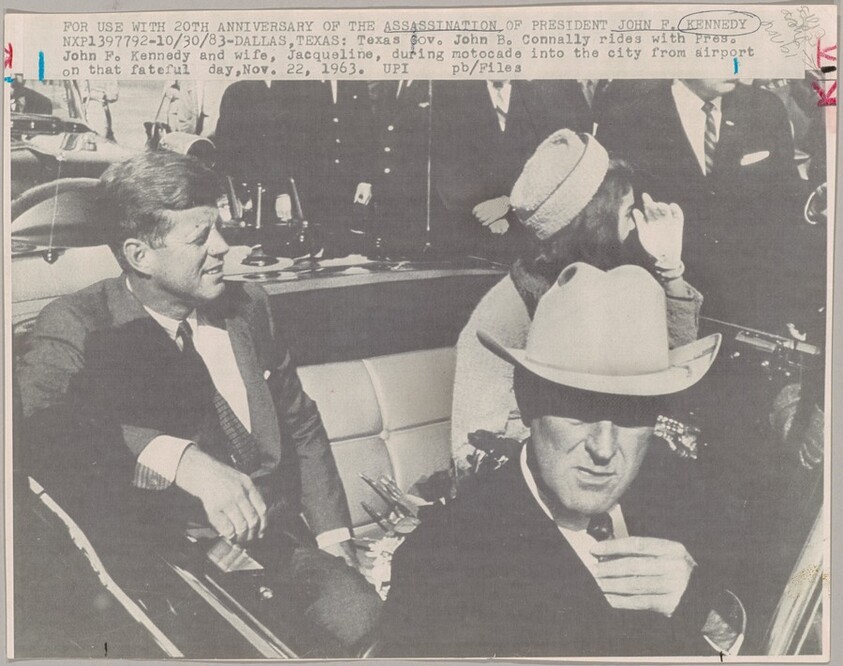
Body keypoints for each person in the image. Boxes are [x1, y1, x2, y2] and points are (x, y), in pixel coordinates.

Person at [16, 151, 381, 655]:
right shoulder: (77, 324)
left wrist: (334, 539)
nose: (224, 249)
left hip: (279, 545)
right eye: (200, 238)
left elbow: (300, 424)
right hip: (169, 563)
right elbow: (39, 427)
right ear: (140, 255)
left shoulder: (249, 306)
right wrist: (182, 460)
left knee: (371, 627)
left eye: (220, 230)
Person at [381, 262, 746, 658]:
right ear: (527, 400)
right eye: (581, 409)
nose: (604, 449)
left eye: (631, 414)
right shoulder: (441, 564)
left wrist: (703, 609)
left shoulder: (683, 490)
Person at [451, 130, 702, 471]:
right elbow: (472, 452)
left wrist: (670, 268)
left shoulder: (606, 284)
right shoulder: (504, 315)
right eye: (628, 212)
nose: (634, 228)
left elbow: (669, 370)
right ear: (595, 222)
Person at [596, 78, 814, 330]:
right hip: (660, 306)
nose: (734, 64)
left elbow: (784, 205)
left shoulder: (764, 108)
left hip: (750, 307)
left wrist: (811, 206)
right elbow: (609, 225)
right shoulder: (628, 117)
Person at [432, 79, 591, 261]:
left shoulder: (540, 98)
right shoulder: (455, 98)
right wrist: (481, 210)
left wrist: (509, 204)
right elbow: (448, 166)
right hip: (472, 235)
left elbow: (551, 166)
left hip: (528, 237)